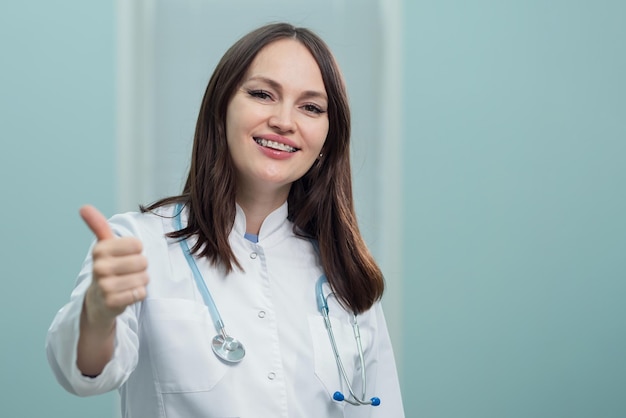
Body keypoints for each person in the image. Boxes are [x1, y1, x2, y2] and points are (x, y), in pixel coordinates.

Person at [46, 22, 404, 417]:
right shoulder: (138, 245)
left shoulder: (344, 275)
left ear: (327, 138)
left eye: (311, 107)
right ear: (221, 109)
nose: (285, 121)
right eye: (263, 94)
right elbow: (82, 373)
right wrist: (97, 312)